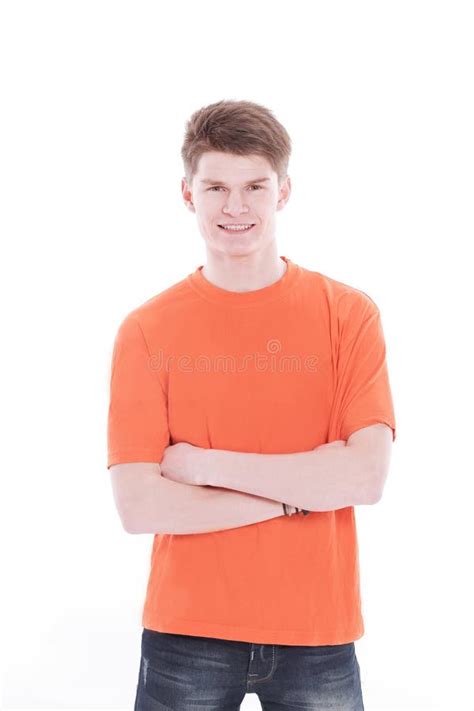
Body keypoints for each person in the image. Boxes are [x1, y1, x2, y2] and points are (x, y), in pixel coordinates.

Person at [107, 99, 396, 710]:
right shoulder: (147, 330)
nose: (235, 207)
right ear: (188, 193)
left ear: (283, 191)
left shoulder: (348, 316)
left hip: (318, 630)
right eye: (216, 187)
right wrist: (304, 489)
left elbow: (365, 478)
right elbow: (138, 505)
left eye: (254, 186)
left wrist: (205, 465)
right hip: (187, 633)